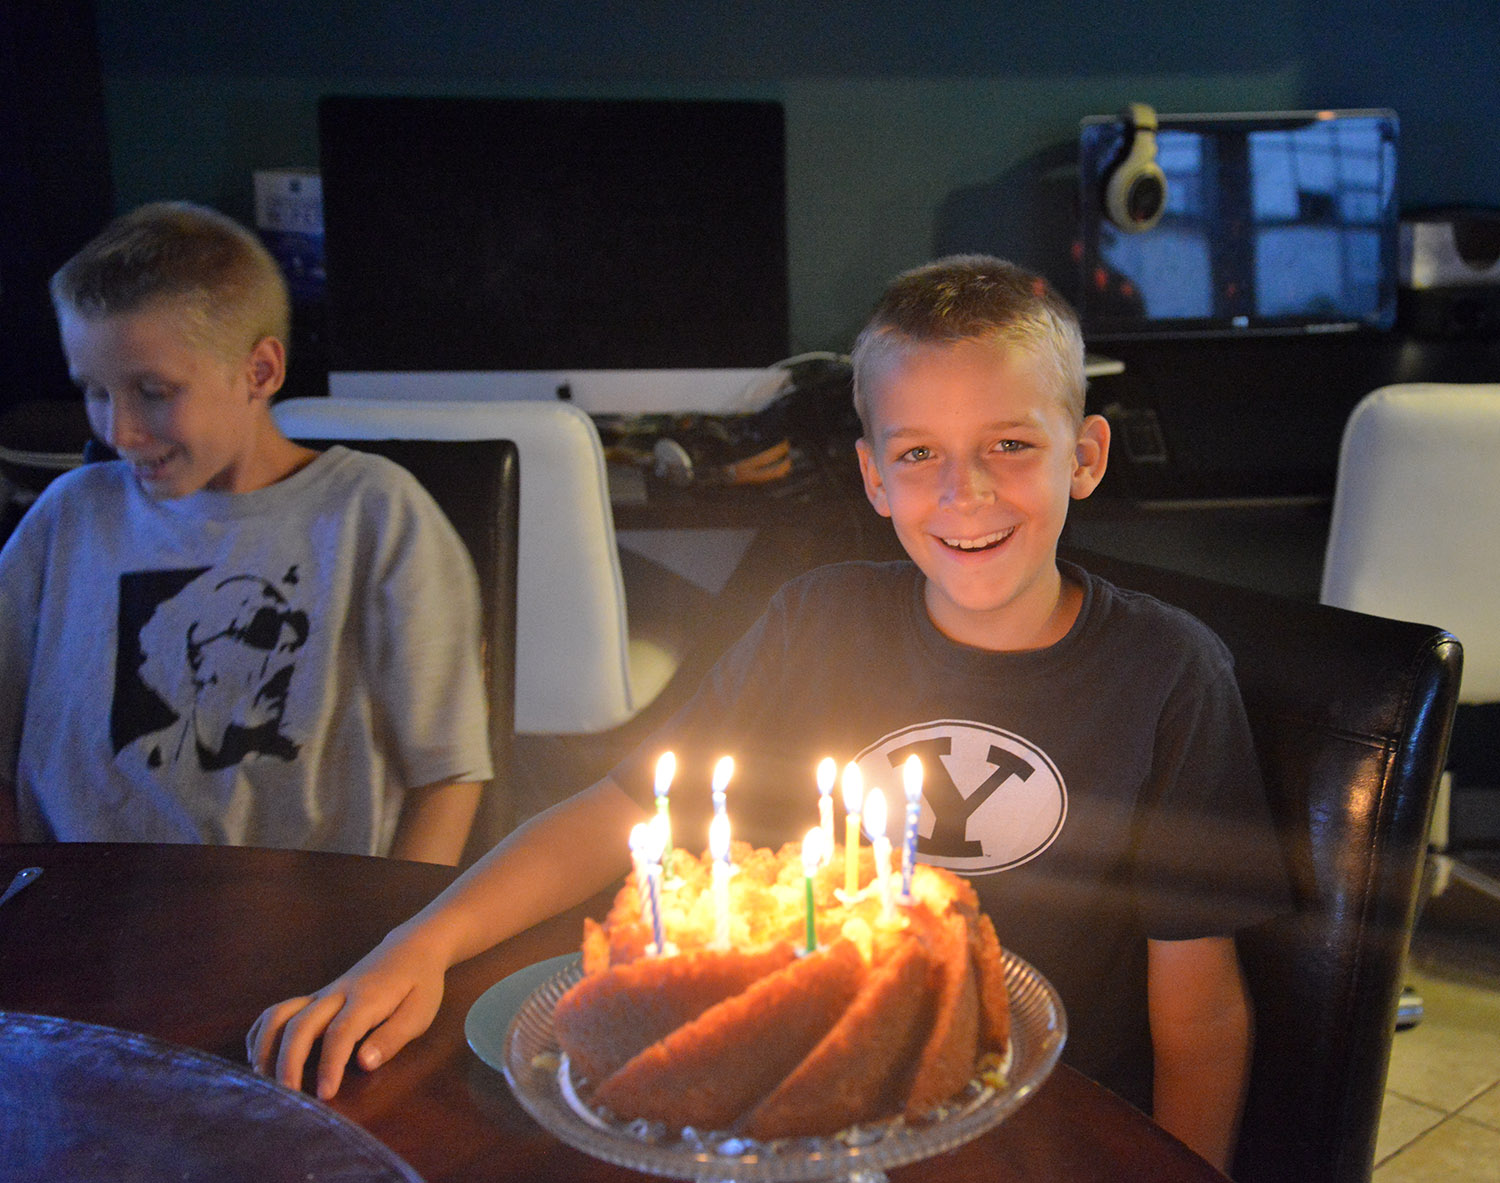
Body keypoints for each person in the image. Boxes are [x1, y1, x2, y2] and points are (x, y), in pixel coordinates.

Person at [248, 255, 1289, 1171]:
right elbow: (617, 809)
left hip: (1036, 1125)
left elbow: (1200, 1008)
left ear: (1088, 455)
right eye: (919, 453)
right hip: (796, 1108)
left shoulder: (1169, 674)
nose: (965, 491)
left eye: (1011, 443)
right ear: (875, 478)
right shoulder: (815, 623)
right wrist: (421, 944)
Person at [0, 202, 490, 865]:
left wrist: (398, 932)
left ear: (259, 372)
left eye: (153, 390)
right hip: (76, 915)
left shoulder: (374, 515)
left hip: (306, 923)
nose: (117, 432)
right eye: (94, 390)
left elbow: (449, 772)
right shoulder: (65, 518)